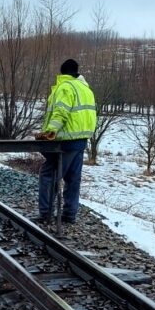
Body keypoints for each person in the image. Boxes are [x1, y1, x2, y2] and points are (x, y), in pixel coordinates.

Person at [36, 58, 97, 226]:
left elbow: (60, 112)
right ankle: (70, 214)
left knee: (49, 175)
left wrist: (50, 132)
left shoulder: (65, 87)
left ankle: (46, 214)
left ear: (62, 72)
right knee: (73, 178)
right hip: (81, 140)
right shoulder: (85, 89)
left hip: (65, 141)